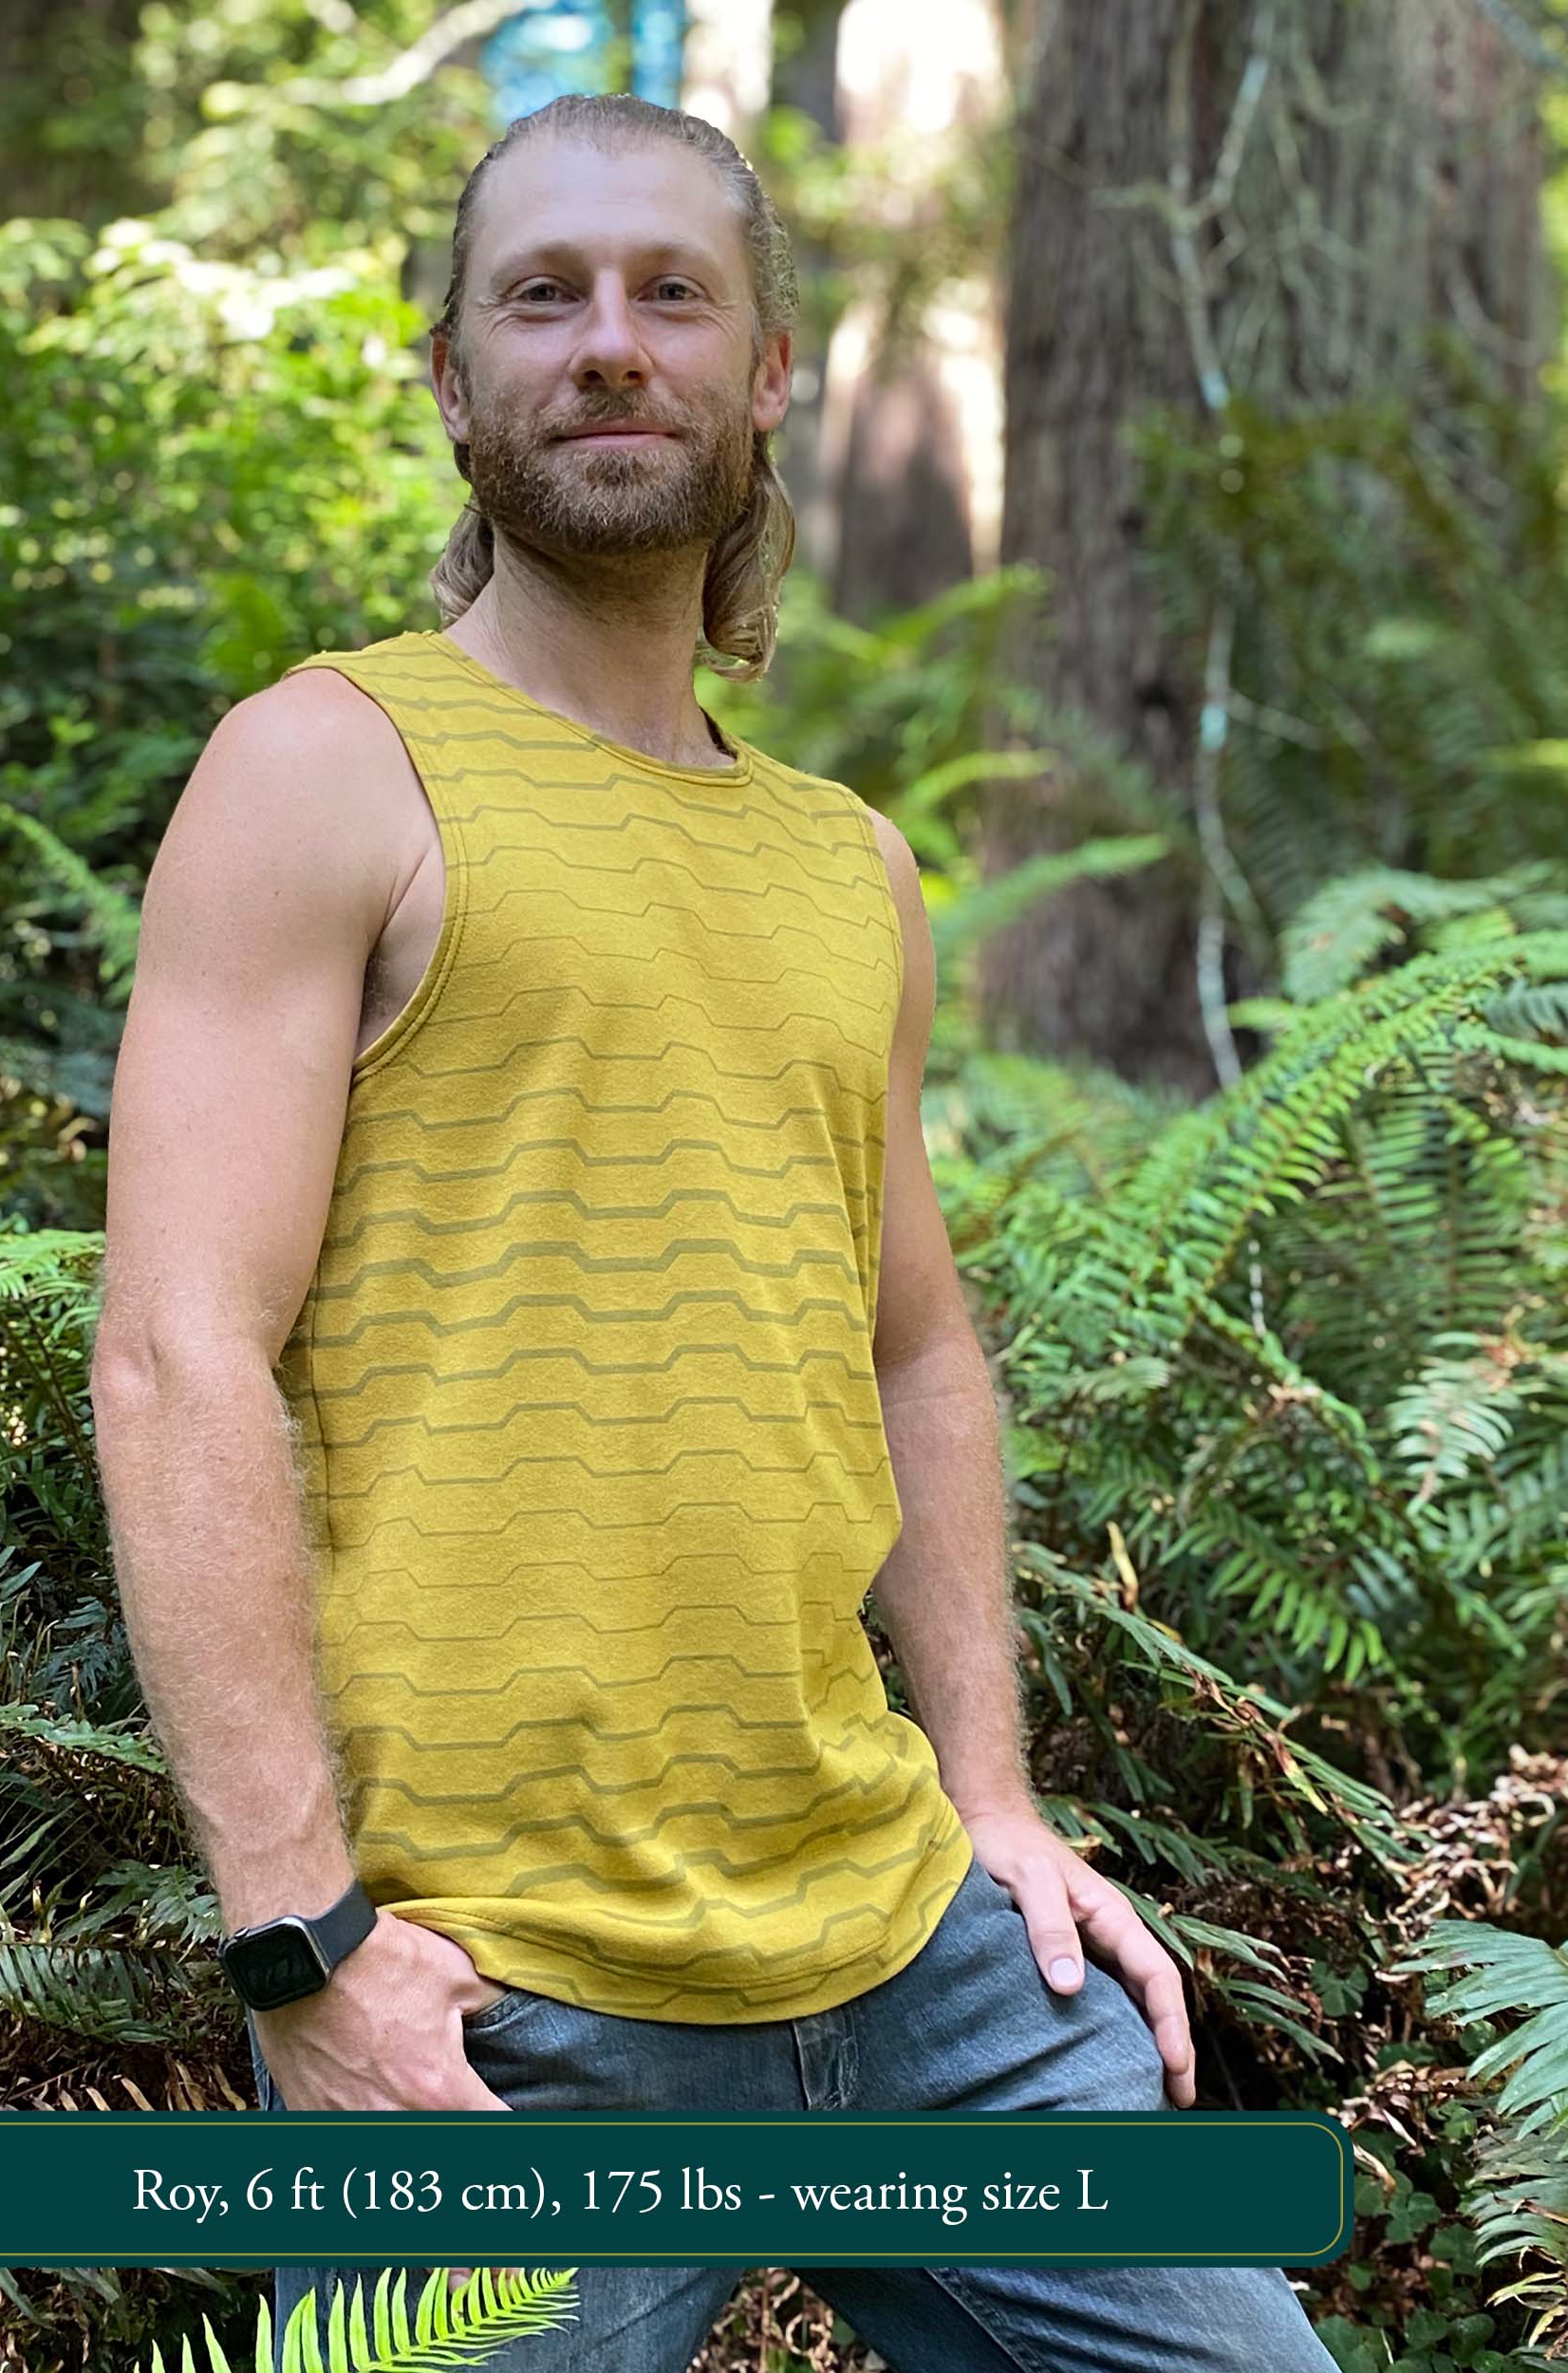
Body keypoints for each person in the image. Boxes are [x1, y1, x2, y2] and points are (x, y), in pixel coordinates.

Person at [90, 91, 1338, 2373]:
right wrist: (299, 1938)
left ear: (768, 370)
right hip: (490, 1998)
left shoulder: (843, 861)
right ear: (452, 376)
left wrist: (996, 1797)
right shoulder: (324, 767)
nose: (608, 345)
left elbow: (919, 1347)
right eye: (541, 296)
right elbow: (181, 1347)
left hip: (912, 1955)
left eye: (673, 292)